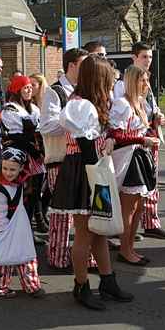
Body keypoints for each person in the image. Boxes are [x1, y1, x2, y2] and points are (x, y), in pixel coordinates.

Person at [52, 55, 133, 310]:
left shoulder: (89, 104)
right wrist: (98, 175)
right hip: (85, 171)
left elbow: (97, 138)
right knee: (86, 234)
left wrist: (108, 141)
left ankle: (107, 281)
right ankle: (81, 286)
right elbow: (87, 147)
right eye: (108, 77)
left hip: (92, 169)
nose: (111, 82)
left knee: (100, 230)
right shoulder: (81, 105)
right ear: (98, 78)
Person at [114, 42, 165, 240]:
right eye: (144, 57)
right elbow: (121, 122)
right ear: (134, 58)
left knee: (149, 184)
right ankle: (125, 231)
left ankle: (150, 222)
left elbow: (148, 110)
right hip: (135, 145)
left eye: (149, 57)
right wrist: (142, 135)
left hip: (148, 139)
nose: (148, 61)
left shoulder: (146, 82)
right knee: (132, 192)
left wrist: (158, 118)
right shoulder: (123, 85)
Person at [40, 48, 88, 269]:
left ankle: (83, 256)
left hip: (82, 158)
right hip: (60, 158)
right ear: (72, 65)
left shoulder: (85, 90)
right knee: (61, 212)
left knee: (82, 212)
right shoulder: (55, 91)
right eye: (84, 65)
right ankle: (58, 257)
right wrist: (72, 119)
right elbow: (47, 127)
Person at [109, 66, 159, 266]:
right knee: (128, 209)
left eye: (146, 80)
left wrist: (151, 133)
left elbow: (144, 132)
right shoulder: (122, 103)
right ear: (131, 81)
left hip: (139, 156)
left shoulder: (140, 103)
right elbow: (115, 134)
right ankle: (125, 250)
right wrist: (142, 139)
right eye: (142, 80)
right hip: (127, 159)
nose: (146, 84)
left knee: (138, 207)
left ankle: (130, 248)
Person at [0, 147, 45, 299]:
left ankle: (31, 285)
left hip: (18, 225)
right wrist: (3, 233)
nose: (8, 172)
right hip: (4, 228)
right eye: (5, 168)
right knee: (4, 259)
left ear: (20, 168)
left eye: (13, 169)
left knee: (25, 254)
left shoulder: (18, 184)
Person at [1, 75, 46, 235]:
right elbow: (16, 137)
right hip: (22, 155)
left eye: (30, 87)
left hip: (36, 155)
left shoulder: (34, 108)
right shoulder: (10, 109)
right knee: (24, 194)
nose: (29, 90)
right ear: (17, 90)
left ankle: (30, 227)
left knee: (35, 193)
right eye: (25, 87)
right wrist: (35, 151)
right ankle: (20, 231)